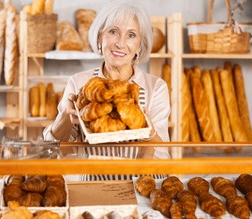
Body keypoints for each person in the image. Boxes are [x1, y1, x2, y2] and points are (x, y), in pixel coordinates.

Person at [43, 2, 170, 180]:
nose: (120, 43)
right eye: (113, 32)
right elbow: (56, 150)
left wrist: (147, 131)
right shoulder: (80, 84)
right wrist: (64, 116)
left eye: (131, 35)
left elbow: (162, 157)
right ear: (99, 38)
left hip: (139, 187)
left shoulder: (155, 88)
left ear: (139, 47)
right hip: (90, 186)